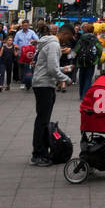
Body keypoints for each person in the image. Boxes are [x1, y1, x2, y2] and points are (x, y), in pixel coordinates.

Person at [30, 25, 72, 166]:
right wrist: (66, 78)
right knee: (42, 120)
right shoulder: (54, 45)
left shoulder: (48, 43)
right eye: (68, 37)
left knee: (42, 119)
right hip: (44, 85)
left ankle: (40, 151)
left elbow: (47, 66)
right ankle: (38, 153)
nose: (68, 41)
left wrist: (63, 69)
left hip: (42, 83)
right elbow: (52, 69)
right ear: (64, 33)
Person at [73, 23, 99, 98]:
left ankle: (81, 94)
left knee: (81, 77)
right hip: (91, 61)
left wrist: (74, 57)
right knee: (88, 78)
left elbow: (76, 49)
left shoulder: (82, 38)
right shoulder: (94, 39)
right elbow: (99, 49)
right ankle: (85, 95)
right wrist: (97, 58)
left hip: (81, 61)